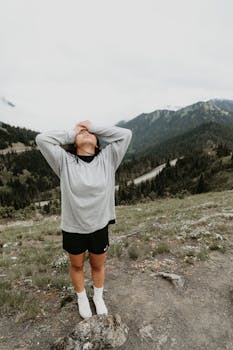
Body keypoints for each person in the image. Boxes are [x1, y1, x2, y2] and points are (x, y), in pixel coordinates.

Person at [35, 119, 132, 319]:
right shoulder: (64, 161)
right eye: (82, 134)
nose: (86, 133)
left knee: (97, 265)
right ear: (73, 143)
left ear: (97, 143)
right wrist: (73, 132)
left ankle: (98, 297)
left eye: (90, 134)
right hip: (73, 227)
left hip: (99, 225)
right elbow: (42, 139)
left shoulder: (108, 158)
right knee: (77, 265)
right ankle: (81, 298)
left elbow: (125, 135)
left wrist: (92, 126)